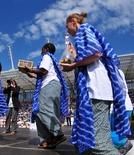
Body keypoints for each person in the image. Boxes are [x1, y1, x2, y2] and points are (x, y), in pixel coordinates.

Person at [61, 12, 131, 154]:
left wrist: (73, 66)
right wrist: (75, 55)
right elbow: (90, 58)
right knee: (95, 138)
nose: (67, 30)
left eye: (67, 26)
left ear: (73, 21)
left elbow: (95, 53)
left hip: (96, 91)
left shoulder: (84, 30)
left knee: (99, 143)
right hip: (99, 91)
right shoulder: (86, 33)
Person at [23, 43, 68, 149]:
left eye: (42, 48)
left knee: (42, 109)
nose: (41, 50)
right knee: (41, 112)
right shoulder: (51, 59)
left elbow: (44, 71)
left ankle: (57, 134)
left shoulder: (46, 56)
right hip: (51, 85)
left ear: (46, 49)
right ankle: (48, 139)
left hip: (49, 85)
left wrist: (31, 69)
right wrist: (31, 74)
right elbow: (42, 74)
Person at [110, 69, 133, 154]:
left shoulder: (107, 69)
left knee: (111, 131)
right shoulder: (118, 70)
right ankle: (122, 145)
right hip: (126, 107)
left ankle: (122, 145)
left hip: (116, 108)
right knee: (118, 131)